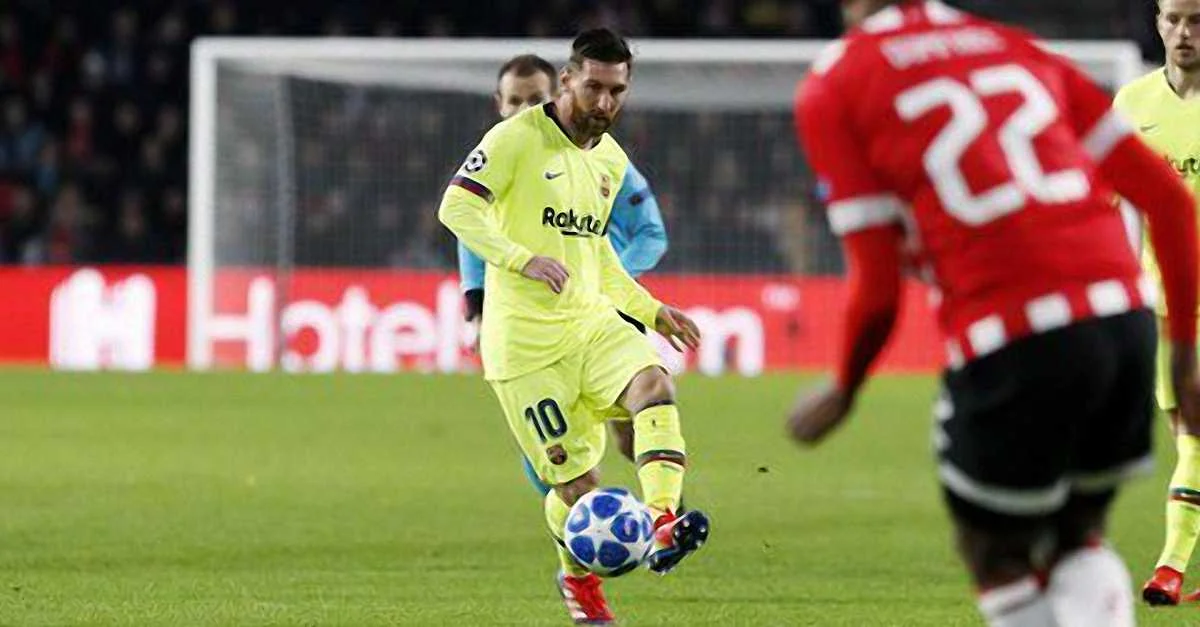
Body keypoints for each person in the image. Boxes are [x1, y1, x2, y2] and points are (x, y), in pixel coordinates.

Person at [788, 1, 1200, 625]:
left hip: (1014, 336)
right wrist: (1184, 353)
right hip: (1125, 324)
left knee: (993, 551)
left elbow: (876, 286)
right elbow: (1169, 202)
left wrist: (845, 386)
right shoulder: (1011, 44)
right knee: (1078, 535)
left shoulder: (833, 85)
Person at [437, 29, 709, 625]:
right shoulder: (516, 137)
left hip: (589, 325)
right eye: (593, 88)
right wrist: (520, 259)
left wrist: (651, 310)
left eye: (617, 91)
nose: (604, 102)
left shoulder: (610, 159)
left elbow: (598, 256)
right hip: (525, 350)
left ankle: (662, 521)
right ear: (567, 80)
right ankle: (577, 580)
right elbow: (455, 207)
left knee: (654, 385)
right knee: (578, 492)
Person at [455, 53, 669, 498]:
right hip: (527, 321)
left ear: (560, 93)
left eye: (535, 99)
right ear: (499, 104)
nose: (524, 109)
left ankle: (665, 509)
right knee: (555, 449)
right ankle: (577, 520)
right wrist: (476, 310)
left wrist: (604, 279)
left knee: (637, 419)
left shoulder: (604, 156)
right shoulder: (502, 152)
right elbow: (472, 232)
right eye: (514, 101)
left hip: (599, 309)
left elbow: (651, 232)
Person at [1115, 0, 1200, 607]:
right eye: (1174, 19)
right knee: (1185, 435)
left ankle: (1170, 566)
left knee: (1196, 437)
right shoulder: (1132, 105)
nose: (1185, 32)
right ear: (1157, 23)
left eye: (1197, 20)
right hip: (1167, 301)